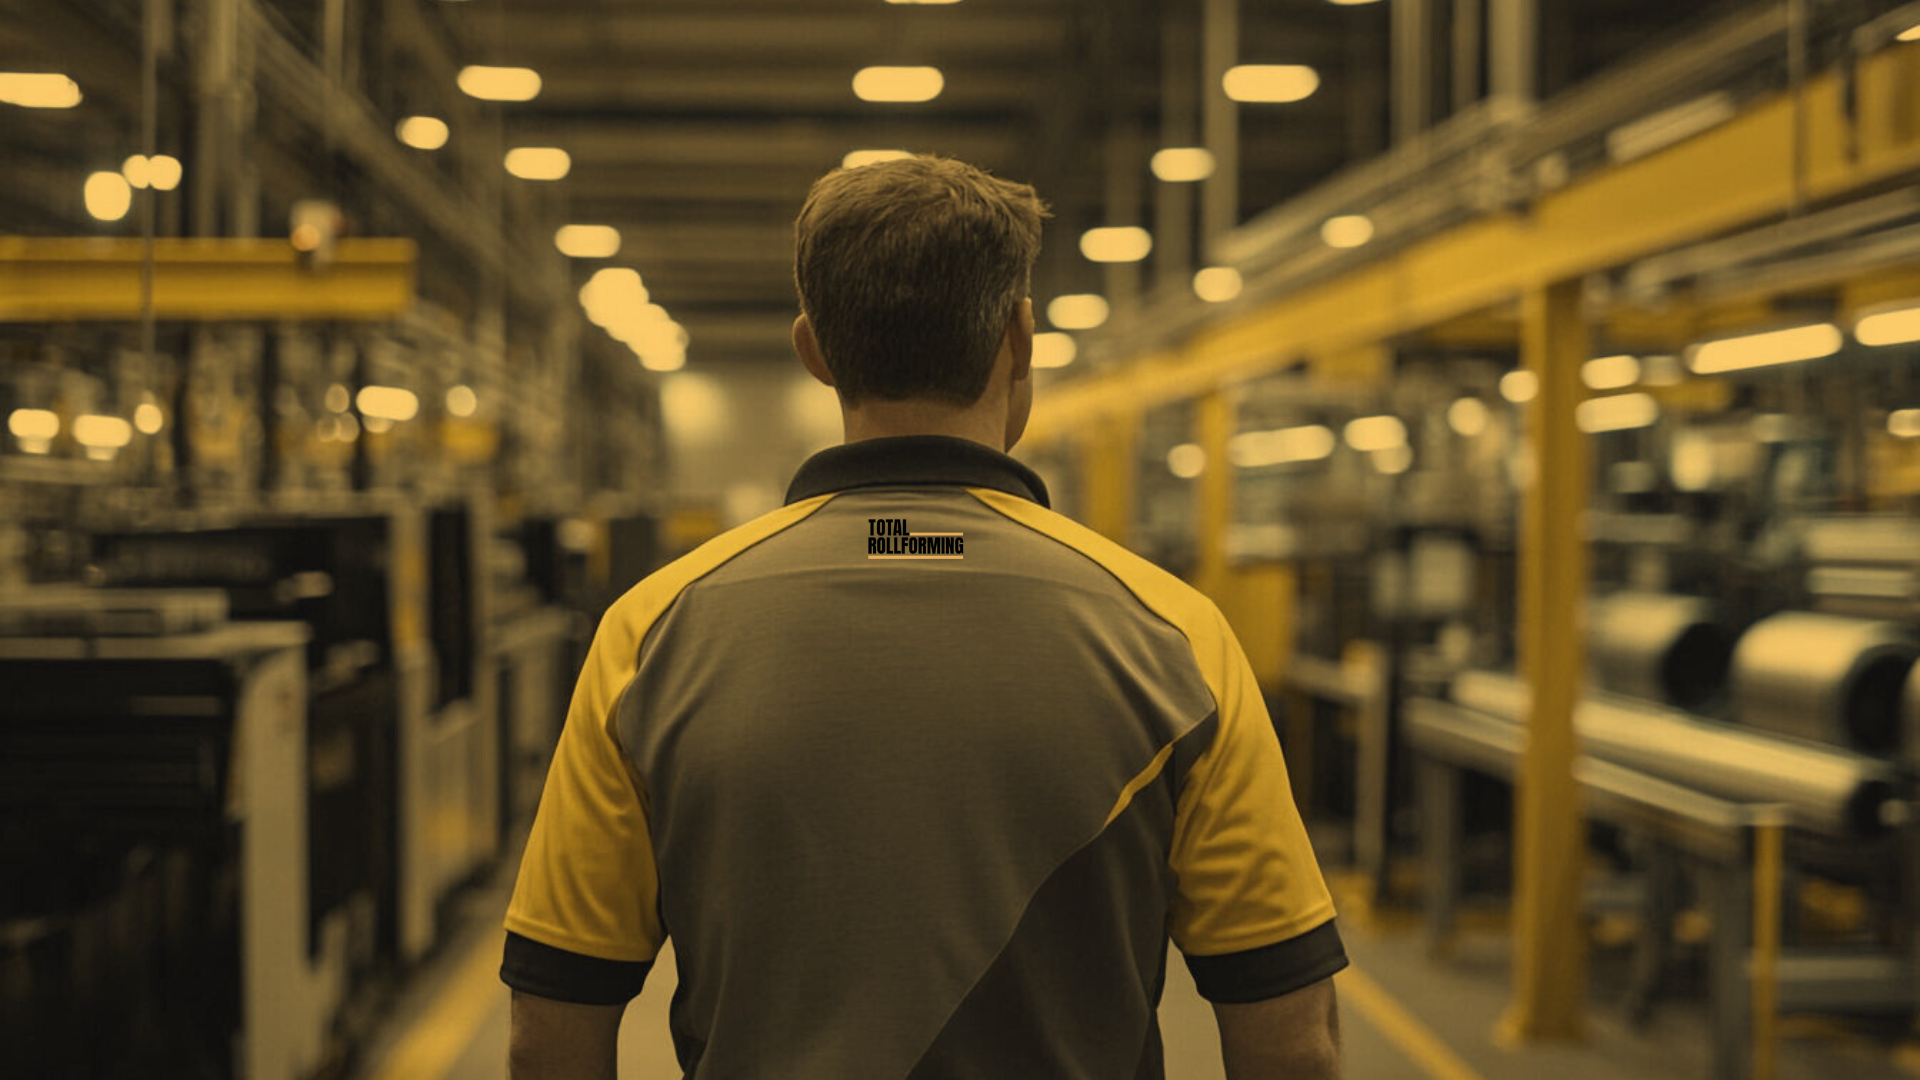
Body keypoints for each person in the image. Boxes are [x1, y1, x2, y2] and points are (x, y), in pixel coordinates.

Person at [502, 155, 1346, 1079]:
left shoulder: (649, 634)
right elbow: (1291, 1037)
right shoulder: (1177, 639)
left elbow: (553, 1024)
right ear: (1019, 341)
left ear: (814, 350)